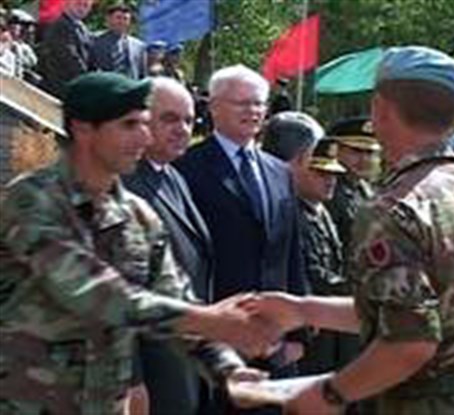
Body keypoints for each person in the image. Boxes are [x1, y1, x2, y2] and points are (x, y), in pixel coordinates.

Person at [0, 72, 281, 415]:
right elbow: (96, 293)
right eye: (129, 125)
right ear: (84, 129)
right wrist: (210, 319)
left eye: (146, 124)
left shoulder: (138, 214)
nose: (144, 136)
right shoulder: (32, 200)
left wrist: (229, 369)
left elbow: (173, 295)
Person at [246, 46, 454, 415]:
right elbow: (422, 309)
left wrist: (328, 394)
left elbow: (410, 342)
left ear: (380, 109)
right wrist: (303, 309)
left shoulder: (395, 208)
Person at [176, 64, 309, 414]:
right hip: (216, 334)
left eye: (258, 104)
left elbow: (291, 252)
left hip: (276, 337)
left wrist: (298, 332)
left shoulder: (279, 171)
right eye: (242, 103)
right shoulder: (187, 169)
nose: (252, 111)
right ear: (214, 107)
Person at [122, 77, 217, 415]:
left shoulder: (173, 176)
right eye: (169, 119)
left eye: (189, 120)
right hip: (152, 372)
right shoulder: (124, 185)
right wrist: (131, 381)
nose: (182, 129)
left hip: (185, 362)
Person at [262, 111, 353, 375]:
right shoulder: (287, 211)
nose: (330, 179)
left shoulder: (319, 210)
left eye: (333, 173)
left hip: (327, 328)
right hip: (302, 327)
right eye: (320, 171)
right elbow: (310, 273)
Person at [323, 116, 381, 258]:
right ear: (336, 151)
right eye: (356, 151)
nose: (364, 159)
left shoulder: (365, 189)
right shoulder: (328, 190)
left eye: (370, 152)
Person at [38, 0, 94, 98]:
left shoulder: (83, 29)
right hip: (57, 86)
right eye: (78, 3)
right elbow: (68, 56)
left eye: (86, 5)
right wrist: (88, 77)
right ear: (67, 3)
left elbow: (90, 56)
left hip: (75, 86)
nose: (81, 8)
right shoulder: (60, 25)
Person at [90, 3, 147, 79]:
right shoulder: (94, 40)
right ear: (108, 19)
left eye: (125, 19)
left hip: (130, 87)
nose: (122, 22)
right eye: (118, 18)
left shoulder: (139, 46)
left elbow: (142, 74)